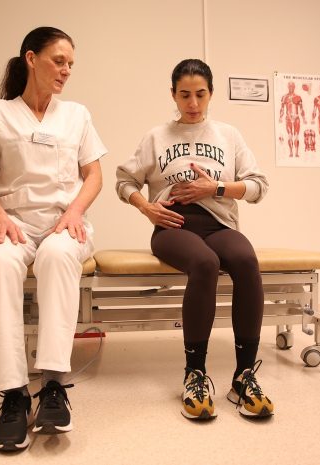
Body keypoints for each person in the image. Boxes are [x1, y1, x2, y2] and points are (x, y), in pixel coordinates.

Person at [0, 26, 106, 451]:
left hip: (65, 223)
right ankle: (13, 395)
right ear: (31, 58)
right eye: (58, 61)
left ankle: (54, 386)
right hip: (12, 223)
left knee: (57, 257)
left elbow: (94, 175)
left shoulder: (77, 114)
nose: (66, 70)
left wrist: (74, 212)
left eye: (70, 64)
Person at [115, 59, 273, 420]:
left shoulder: (229, 135)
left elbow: (258, 186)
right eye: (184, 94)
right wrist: (147, 208)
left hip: (219, 226)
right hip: (173, 228)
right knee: (204, 263)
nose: (193, 103)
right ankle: (195, 374)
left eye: (200, 94)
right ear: (173, 94)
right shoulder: (156, 137)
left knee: (246, 260)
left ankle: (244, 376)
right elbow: (124, 181)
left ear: (211, 93)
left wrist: (215, 187)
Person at [279, 81, 306, 157]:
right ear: (288, 87)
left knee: (296, 136)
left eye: (292, 86)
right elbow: (282, 108)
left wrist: (304, 118)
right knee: (290, 135)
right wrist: (280, 117)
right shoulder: (284, 97)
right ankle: (291, 152)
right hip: (288, 118)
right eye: (290, 86)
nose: (291, 88)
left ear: (294, 87)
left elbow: (301, 109)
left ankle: (296, 152)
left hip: (296, 118)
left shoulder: (298, 97)